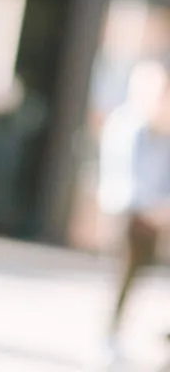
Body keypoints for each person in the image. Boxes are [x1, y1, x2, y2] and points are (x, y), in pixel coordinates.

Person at [98, 56, 170, 364]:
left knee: (144, 277)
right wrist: (154, 207)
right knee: (125, 278)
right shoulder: (128, 126)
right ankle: (109, 336)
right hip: (128, 214)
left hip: (154, 217)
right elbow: (124, 181)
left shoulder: (162, 133)